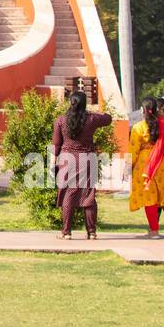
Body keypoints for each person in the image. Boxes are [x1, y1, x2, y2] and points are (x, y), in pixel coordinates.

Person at [51, 91, 113, 239]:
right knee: (88, 196)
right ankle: (91, 232)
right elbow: (108, 118)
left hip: (67, 159)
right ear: (84, 103)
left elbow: (56, 145)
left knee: (68, 195)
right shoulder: (92, 119)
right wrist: (93, 110)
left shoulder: (60, 120)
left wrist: (53, 164)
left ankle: (66, 232)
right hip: (87, 158)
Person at [129, 96, 164, 237]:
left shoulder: (138, 127)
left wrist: (129, 166)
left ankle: (154, 231)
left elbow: (134, 150)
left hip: (146, 166)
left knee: (150, 198)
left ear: (143, 110)